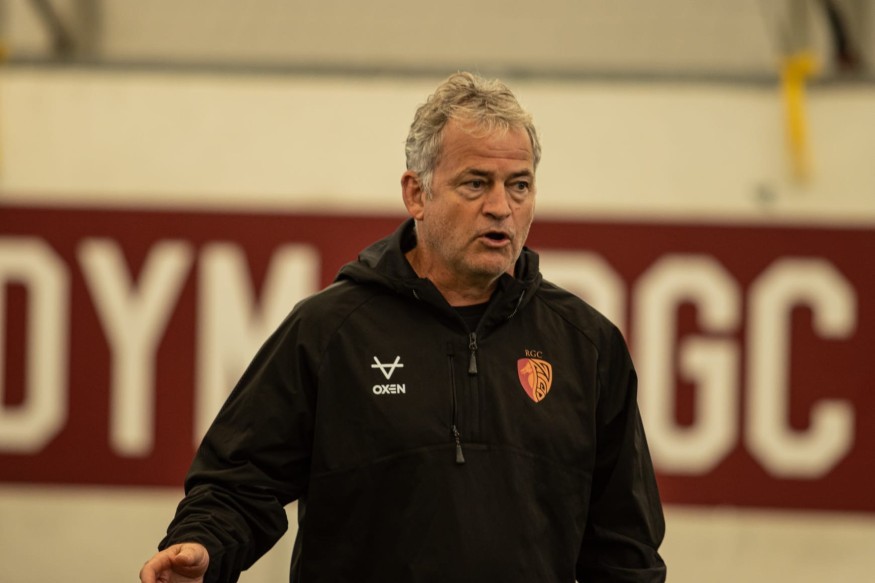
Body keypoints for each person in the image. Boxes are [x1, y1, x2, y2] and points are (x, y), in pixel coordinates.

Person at [140, 71, 666, 583]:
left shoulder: (587, 346)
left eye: (519, 185)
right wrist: (203, 545)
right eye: (476, 183)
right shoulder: (330, 331)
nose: (501, 208)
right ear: (417, 194)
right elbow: (238, 483)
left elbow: (625, 549)